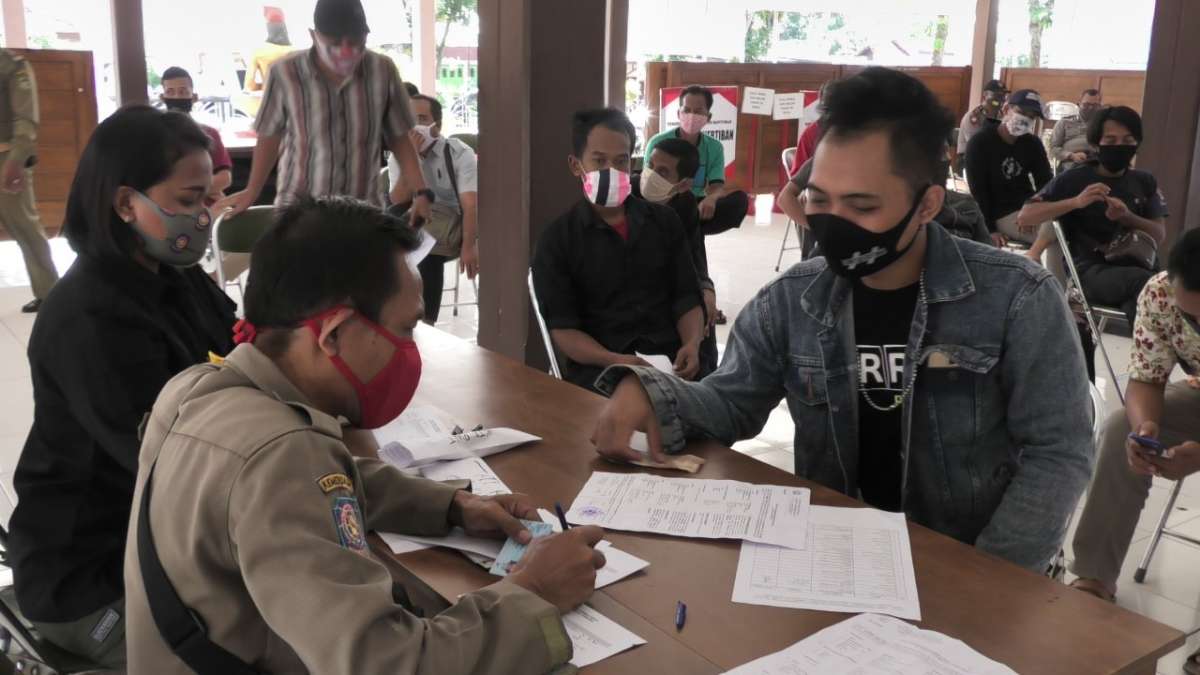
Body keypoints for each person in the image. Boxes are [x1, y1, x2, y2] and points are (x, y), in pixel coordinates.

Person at [591, 67, 1094, 573]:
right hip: (834, 562)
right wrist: (652, 392)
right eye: (819, 200)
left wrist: (990, 575)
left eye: (862, 206)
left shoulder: (1017, 300)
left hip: (965, 562)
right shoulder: (791, 300)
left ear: (927, 205)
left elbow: (1058, 451)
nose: (834, 224)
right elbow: (730, 401)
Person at [123, 196, 606, 673]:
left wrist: (453, 507)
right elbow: (387, 664)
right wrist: (536, 591)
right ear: (333, 334)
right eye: (405, 329)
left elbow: (325, 483)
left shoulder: (199, 389)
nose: (410, 350)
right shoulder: (281, 455)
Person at [7, 105, 236, 668]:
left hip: (159, 543)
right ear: (126, 203)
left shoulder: (176, 279)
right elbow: (168, 462)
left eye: (207, 200)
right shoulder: (89, 316)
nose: (203, 218)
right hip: (91, 578)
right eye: (187, 202)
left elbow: (243, 358)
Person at [1069, 229, 1200, 613]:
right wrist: (1145, 429)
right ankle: (1094, 578)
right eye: (1190, 313)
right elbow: (1146, 378)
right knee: (1120, 430)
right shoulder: (1160, 294)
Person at [532, 108, 705, 393]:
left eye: (621, 161)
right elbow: (563, 329)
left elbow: (686, 297)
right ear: (576, 165)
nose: (611, 171)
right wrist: (615, 360)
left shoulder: (664, 223)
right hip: (600, 371)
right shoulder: (558, 240)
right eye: (599, 161)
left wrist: (692, 344)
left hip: (673, 363)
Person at [218, 0, 432, 227]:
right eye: (335, 42)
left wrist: (421, 191)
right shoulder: (286, 72)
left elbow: (399, 136)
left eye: (356, 41)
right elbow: (269, 135)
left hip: (363, 212)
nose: (347, 51)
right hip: (299, 214)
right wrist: (252, 190)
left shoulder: (383, 70)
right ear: (314, 36)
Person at [1017, 105, 1165, 329]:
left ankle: (1096, 348)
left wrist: (1127, 217)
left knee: (1151, 294)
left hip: (1140, 267)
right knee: (1150, 288)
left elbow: (1159, 234)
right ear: (1096, 144)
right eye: (1111, 140)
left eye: (1128, 140)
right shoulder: (1074, 178)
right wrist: (1075, 202)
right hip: (1090, 271)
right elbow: (1025, 216)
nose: (1120, 147)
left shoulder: (1144, 181)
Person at [387, 93, 478, 324]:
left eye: (422, 118)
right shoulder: (401, 154)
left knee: (428, 253)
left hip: (450, 223)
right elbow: (398, 199)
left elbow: (470, 205)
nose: (415, 126)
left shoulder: (460, 154)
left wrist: (469, 245)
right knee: (382, 238)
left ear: (437, 125)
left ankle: (428, 322)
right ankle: (391, 314)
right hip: (416, 215)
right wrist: (413, 159)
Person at [633, 137, 719, 374]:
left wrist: (707, 288)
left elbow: (695, 254)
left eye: (662, 171)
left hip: (669, 287)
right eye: (649, 165)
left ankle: (702, 381)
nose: (649, 175)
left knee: (703, 315)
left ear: (683, 184)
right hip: (635, 294)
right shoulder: (629, 193)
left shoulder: (685, 204)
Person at [644, 85, 750, 237]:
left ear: (709, 117)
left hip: (695, 205)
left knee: (739, 201)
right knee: (691, 229)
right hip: (664, 203)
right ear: (678, 113)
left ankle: (688, 227)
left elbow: (717, 186)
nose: (691, 115)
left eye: (699, 111)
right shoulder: (658, 142)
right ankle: (689, 228)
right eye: (686, 110)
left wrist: (711, 199)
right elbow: (647, 183)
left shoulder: (714, 147)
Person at [0, 48, 59, 313]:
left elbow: (26, 116)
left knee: (25, 228)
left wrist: (17, 158)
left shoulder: (11, 65)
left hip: (5, 158)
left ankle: (49, 293)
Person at [964, 89, 1052, 247]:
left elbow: (1045, 182)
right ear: (1006, 109)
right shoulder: (980, 143)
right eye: (1022, 112)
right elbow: (978, 192)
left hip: (1028, 207)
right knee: (1054, 236)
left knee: (1069, 225)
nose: (1026, 119)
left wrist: (1034, 208)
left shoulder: (1032, 143)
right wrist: (989, 229)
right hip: (1001, 213)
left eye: (1032, 116)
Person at [160, 66, 233, 205]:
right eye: (170, 92)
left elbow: (225, 178)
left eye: (183, 92)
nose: (176, 97)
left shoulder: (210, 133)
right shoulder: (154, 134)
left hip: (209, 209)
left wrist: (178, 189)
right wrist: (206, 187)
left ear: (194, 97)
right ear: (162, 97)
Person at [954, 79, 1008, 172]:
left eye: (1004, 96)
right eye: (997, 96)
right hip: (969, 160)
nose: (1001, 99)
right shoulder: (974, 116)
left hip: (991, 158)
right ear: (985, 95)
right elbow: (977, 146)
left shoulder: (1001, 115)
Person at [1049, 88, 1102, 174]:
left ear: (1100, 106)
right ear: (1079, 104)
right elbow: (1053, 149)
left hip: (1096, 164)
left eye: (1095, 105)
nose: (1090, 108)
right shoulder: (1064, 122)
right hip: (1069, 164)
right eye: (1086, 104)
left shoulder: (1104, 125)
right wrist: (1071, 156)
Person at [246, 6, 293, 93]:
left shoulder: (259, 52)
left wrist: (263, 86)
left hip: (270, 101)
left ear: (268, 27)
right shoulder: (295, 52)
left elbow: (249, 84)